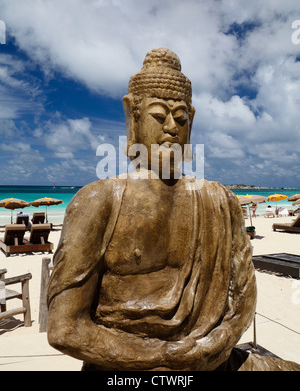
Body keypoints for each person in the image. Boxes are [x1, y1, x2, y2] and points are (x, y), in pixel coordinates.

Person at [47, 48, 300, 371]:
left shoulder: (219, 200)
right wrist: (162, 357)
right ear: (133, 118)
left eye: (180, 118)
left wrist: (217, 344)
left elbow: (244, 298)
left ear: (190, 123)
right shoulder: (100, 200)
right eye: (158, 115)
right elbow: (65, 328)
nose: (171, 127)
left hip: (211, 359)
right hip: (127, 368)